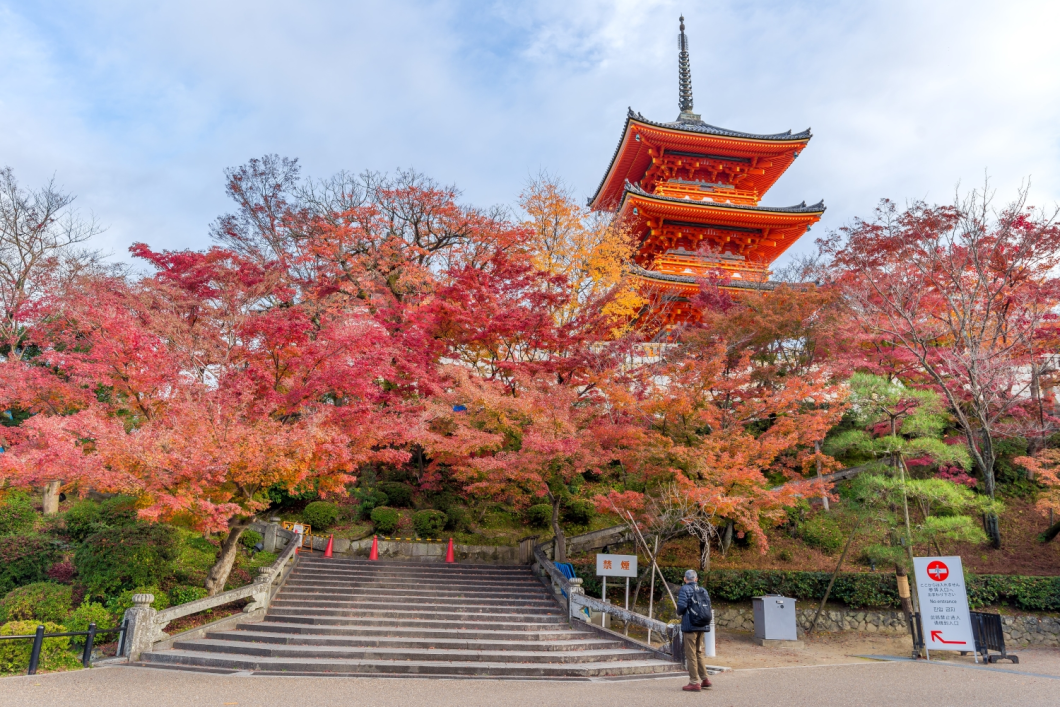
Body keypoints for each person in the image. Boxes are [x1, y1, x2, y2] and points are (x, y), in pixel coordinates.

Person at [676, 568, 712, 691]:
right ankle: (705, 679)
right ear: (696, 579)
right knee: (698, 652)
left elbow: (681, 606)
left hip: (690, 625)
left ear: (685, 579)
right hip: (702, 624)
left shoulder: (685, 589)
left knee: (690, 653)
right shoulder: (703, 590)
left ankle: (694, 682)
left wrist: (679, 613)